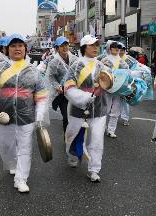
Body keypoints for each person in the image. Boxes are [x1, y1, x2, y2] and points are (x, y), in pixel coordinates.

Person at [0, 34, 48, 193]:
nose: (17, 49)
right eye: (13, 46)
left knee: (25, 148)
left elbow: (41, 96)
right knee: (6, 146)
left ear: (25, 49)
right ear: (7, 49)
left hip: (27, 117)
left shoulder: (33, 71)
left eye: (20, 46)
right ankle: (12, 164)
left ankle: (21, 179)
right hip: (4, 117)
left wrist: (39, 115)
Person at [64, 35, 111, 182]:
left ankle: (94, 169)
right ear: (84, 47)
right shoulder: (76, 66)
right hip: (78, 110)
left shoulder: (102, 67)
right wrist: (84, 97)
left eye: (97, 45)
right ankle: (72, 155)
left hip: (99, 110)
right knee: (72, 136)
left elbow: (111, 85)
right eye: (92, 45)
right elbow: (68, 87)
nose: (96, 47)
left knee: (96, 140)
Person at [46, 36, 78, 134]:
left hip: (75, 91)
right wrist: (57, 86)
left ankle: (75, 138)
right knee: (66, 116)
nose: (65, 48)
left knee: (76, 116)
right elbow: (50, 77)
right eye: (62, 46)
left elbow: (80, 72)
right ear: (57, 48)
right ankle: (68, 140)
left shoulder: (75, 59)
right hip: (62, 93)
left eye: (66, 45)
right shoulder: (53, 61)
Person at [101, 41, 129, 138]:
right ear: (110, 48)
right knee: (106, 109)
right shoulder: (104, 60)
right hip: (107, 88)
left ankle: (111, 130)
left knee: (116, 110)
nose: (117, 49)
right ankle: (102, 127)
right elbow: (100, 73)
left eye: (118, 47)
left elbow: (127, 71)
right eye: (114, 47)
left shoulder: (121, 61)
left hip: (118, 89)